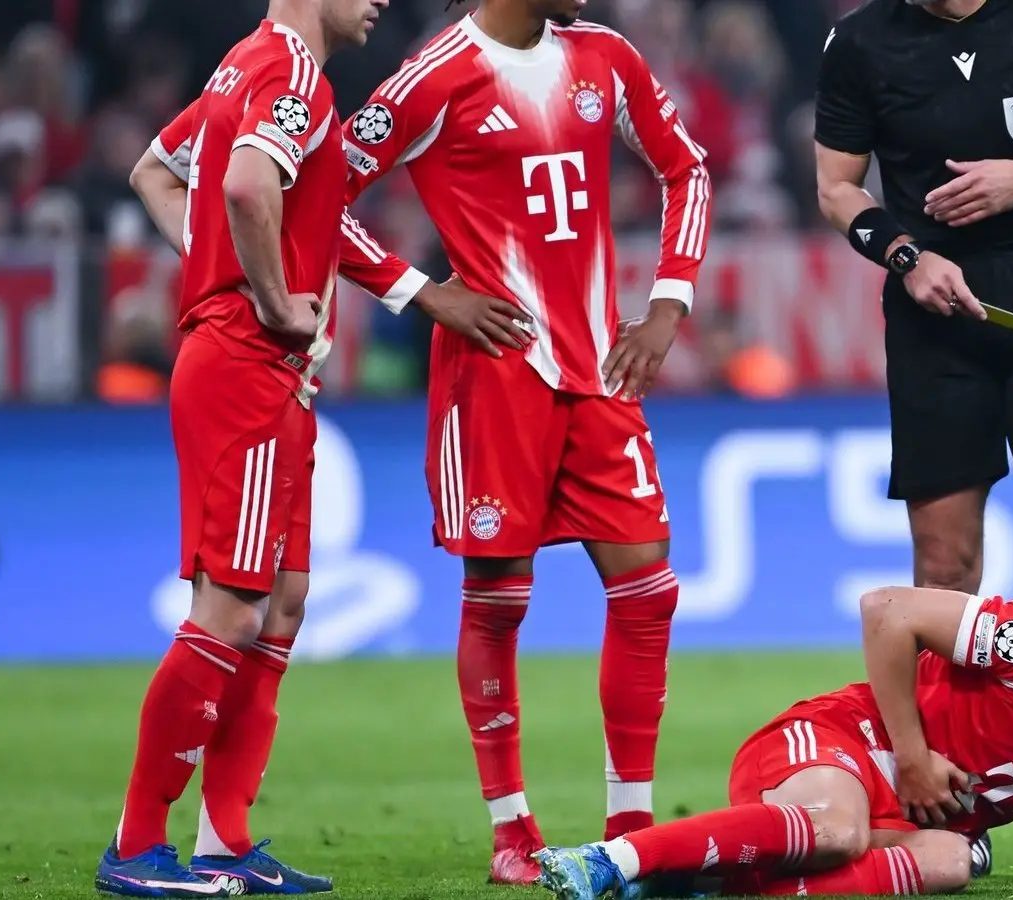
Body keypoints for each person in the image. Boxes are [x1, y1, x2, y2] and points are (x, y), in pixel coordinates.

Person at [334, 0, 713, 883]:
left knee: (648, 590)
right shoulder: (435, 78)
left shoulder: (605, 57)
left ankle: (631, 831)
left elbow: (687, 168)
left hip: (600, 366)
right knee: (500, 596)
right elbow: (317, 195)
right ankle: (512, 829)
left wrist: (669, 302)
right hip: (497, 377)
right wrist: (424, 292)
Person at [97, 0, 398, 895]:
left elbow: (156, 172)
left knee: (282, 605)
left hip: (269, 375)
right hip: (247, 366)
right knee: (230, 609)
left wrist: (215, 263)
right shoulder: (291, 72)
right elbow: (244, 185)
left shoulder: (244, 64)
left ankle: (225, 841)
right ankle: (135, 848)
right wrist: (265, 297)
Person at [533, 587, 1013, 899]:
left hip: (892, 816)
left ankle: (704, 880)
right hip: (832, 743)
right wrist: (914, 757)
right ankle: (607, 860)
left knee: (956, 859)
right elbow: (887, 611)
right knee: (838, 829)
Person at [813, 0, 1013, 623]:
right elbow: (836, 187)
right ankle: (952, 694)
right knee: (945, 567)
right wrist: (906, 257)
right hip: (933, 318)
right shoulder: (859, 41)